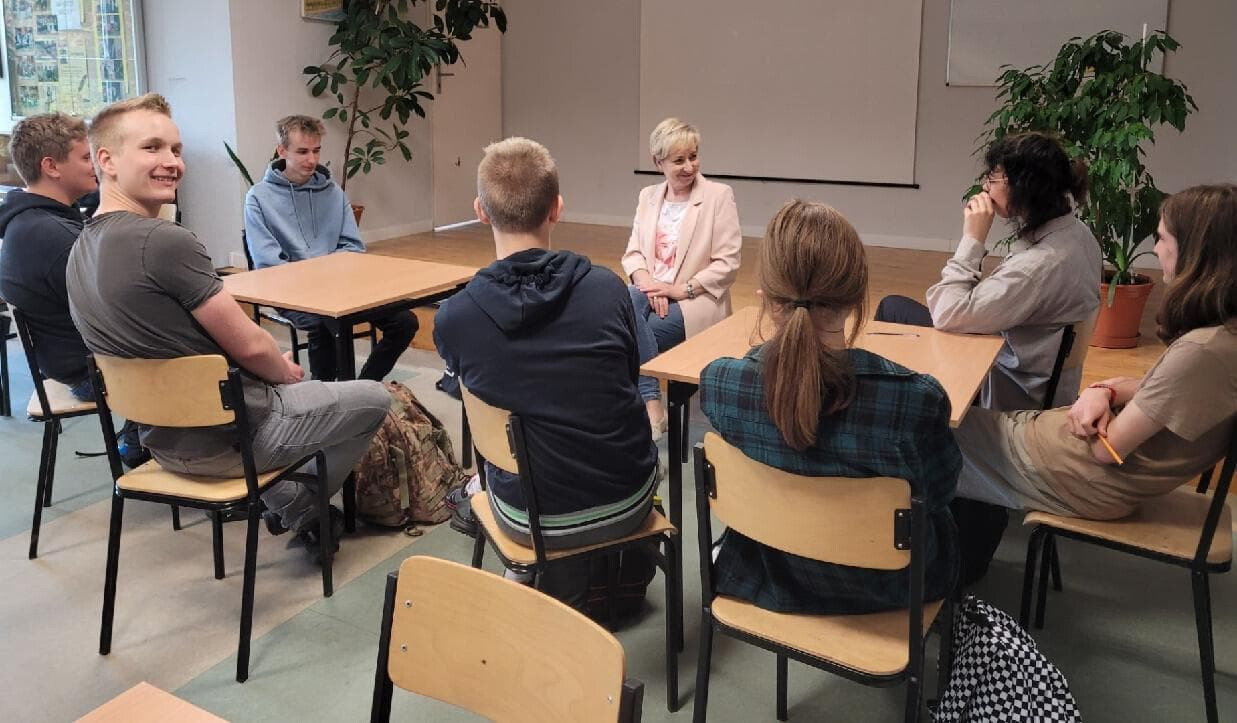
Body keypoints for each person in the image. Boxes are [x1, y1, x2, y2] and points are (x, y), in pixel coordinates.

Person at [66, 94, 391, 562]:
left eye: (176, 149)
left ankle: (289, 500)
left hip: (161, 440)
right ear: (107, 160)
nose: (172, 161)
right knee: (373, 397)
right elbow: (254, 346)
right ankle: (303, 507)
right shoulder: (162, 241)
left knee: (306, 385)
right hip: (235, 438)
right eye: (152, 148)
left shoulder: (81, 248)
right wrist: (282, 372)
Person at [700, 200, 960, 614]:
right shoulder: (915, 401)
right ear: (857, 300)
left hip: (772, 576)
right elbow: (942, 490)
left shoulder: (721, 385)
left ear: (766, 298)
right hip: (892, 592)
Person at [435, 137, 659, 608]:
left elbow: (472, 399)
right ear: (557, 208)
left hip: (525, 516)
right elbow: (628, 380)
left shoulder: (455, 317)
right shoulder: (609, 291)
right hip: (625, 502)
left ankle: (522, 575)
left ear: (480, 211)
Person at [875, 131, 1101, 582]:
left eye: (994, 178)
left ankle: (905, 451)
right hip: (1030, 373)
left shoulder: (1041, 265)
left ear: (1022, 189)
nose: (985, 185)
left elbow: (948, 312)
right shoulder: (1076, 234)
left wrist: (972, 240)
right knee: (895, 309)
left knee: (896, 316)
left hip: (1011, 389)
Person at [954, 183, 1236, 522]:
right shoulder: (1222, 339)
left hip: (1077, 476)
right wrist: (1106, 390)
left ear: (1196, 254)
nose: (1156, 249)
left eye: (1162, 239)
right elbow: (1166, 391)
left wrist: (1097, 398)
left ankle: (955, 545)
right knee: (934, 423)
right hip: (1062, 454)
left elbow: (1107, 449)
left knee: (918, 431)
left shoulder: (1202, 353)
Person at [244, 115, 417, 382]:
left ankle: (363, 386)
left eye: (316, 151)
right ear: (282, 151)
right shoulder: (258, 198)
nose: (312, 160)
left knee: (404, 322)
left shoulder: (333, 192)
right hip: (291, 292)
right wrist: (317, 278)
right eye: (302, 151)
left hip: (340, 288)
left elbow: (353, 246)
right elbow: (269, 265)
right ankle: (324, 394)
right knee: (323, 323)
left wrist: (330, 278)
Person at [621, 117, 742, 438]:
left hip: (695, 299)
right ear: (657, 162)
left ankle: (647, 406)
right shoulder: (647, 196)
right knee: (628, 305)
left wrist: (676, 290)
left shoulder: (718, 196)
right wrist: (650, 286)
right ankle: (651, 403)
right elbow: (633, 254)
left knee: (632, 334)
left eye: (693, 157)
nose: (689, 166)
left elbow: (727, 264)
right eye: (679, 160)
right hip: (648, 293)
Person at [0, 112, 98, 400]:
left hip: (68, 363)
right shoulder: (53, 236)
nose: (95, 165)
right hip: (91, 373)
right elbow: (119, 308)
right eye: (86, 157)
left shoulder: (30, 220)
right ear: (51, 167)